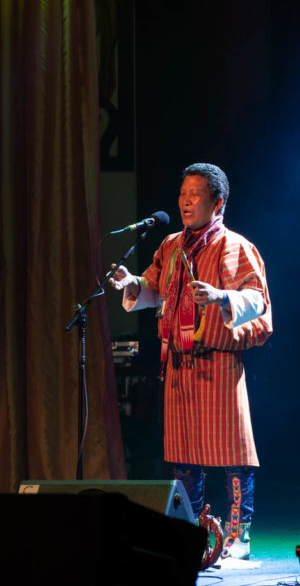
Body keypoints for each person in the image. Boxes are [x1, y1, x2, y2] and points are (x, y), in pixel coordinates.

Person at [110, 163, 272, 560]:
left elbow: (258, 301)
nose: (185, 200)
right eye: (183, 193)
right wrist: (132, 284)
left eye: (195, 194)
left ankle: (237, 537)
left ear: (218, 202)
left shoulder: (236, 246)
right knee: (184, 454)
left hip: (218, 361)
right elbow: (152, 287)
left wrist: (220, 297)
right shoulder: (170, 245)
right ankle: (194, 533)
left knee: (232, 451)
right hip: (179, 364)